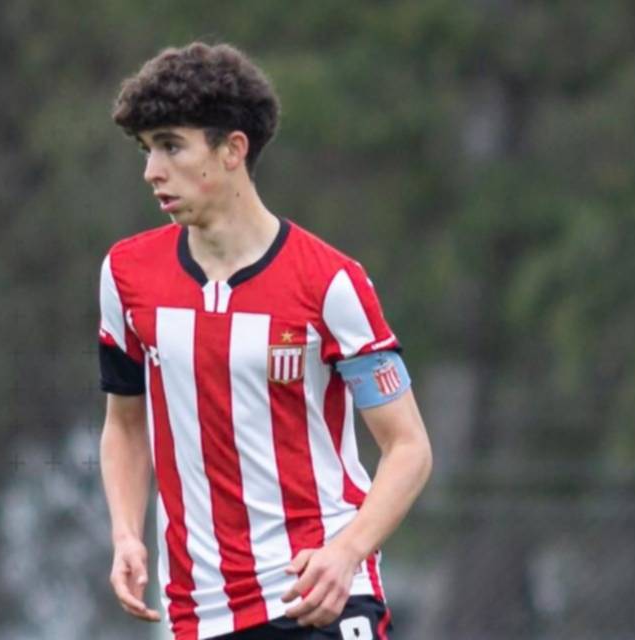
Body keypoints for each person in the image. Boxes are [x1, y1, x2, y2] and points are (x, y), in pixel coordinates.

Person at [98, 42, 432, 640]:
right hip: (200, 612)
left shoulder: (330, 283)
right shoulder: (127, 276)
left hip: (320, 596)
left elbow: (408, 448)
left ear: (233, 150)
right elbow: (124, 424)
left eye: (171, 146)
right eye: (147, 150)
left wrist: (347, 552)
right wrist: (126, 533)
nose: (152, 171)